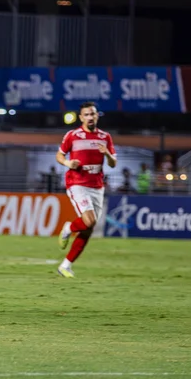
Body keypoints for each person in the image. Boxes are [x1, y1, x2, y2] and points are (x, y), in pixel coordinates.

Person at [56, 101, 116, 278]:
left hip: (97, 186)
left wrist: (106, 153)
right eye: (87, 115)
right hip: (77, 183)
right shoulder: (73, 135)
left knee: (89, 228)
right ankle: (68, 228)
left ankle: (65, 266)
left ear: (97, 116)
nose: (90, 117)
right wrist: (67, 162)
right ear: (81, 117)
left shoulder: (105, 137)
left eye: (93, 114)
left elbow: (113, 163)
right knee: (89, 221)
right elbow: (59, 154)